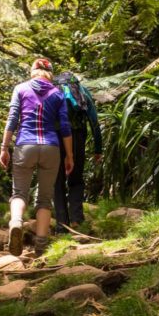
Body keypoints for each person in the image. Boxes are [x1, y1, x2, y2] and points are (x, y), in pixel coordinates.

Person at [0, 58, 74, 256]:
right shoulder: (58, 94)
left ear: (33, 71)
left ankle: (16, 222)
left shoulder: (21, 89)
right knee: (44, 200)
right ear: (50, 73)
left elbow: (13, 118)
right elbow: (65, 127)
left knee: (19, 193)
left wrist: (4, 148)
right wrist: (70, 155)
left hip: (25, 145)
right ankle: (41, 246)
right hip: (51, 147)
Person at [52, 71, 103, 232]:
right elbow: (94, 120)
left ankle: (61, 224)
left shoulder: (52, 91)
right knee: (76, 179)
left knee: (57, 181)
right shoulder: (82, 91)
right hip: (77, 137)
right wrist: (97, 148)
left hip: (55, 138)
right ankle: (76, 219)